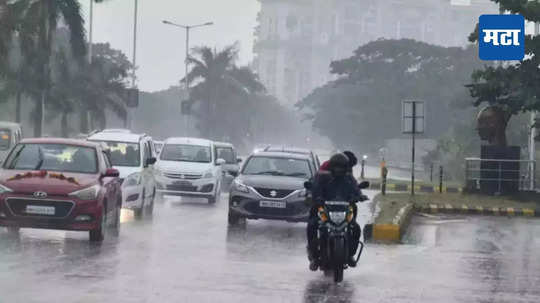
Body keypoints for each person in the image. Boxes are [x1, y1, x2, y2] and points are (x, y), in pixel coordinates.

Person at [306, 153, 365, 271]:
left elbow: (355, 189)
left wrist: (359, 196)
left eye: (342, 167)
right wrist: (316, 197)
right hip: (325, 208)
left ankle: (350, 255)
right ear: (332, 167)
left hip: (343, 209)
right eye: (337, 167)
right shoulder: (323, 176)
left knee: (356, 227)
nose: (339, 170)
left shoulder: (348, 177)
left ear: (346, 167)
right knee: (312, 225)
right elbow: (316, 188)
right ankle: (314, 256)